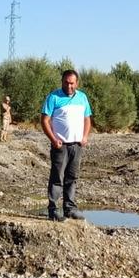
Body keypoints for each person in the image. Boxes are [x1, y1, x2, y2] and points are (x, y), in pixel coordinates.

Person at [41, 69, 93, 221]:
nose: (69, 86)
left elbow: (87, 119)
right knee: (57, 177)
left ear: (77, 83)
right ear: (62, 82)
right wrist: (53, 139)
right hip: (60, 145)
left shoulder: (82, 97)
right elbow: (44, 120)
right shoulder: (54, 97)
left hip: (77, 145)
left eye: (72, 83)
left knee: (72, 176)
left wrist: (85, 136)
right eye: (66, 82)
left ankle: (70, 208)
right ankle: (53, 210)